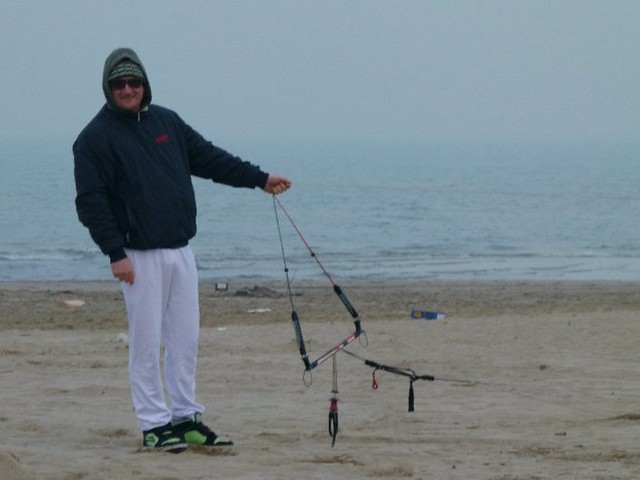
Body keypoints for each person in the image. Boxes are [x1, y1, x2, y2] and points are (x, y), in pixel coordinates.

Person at [73, 47, 291, 453]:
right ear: (108, 87)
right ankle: (154, 424)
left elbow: (210, 159)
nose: (127, 89)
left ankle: (186, 417)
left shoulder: (166, 122)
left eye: (133, 82)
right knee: (145, 343)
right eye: (119, 83)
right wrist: (114, 253)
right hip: (137, 256)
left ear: (144, 84)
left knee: (185, 340)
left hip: (180, 250)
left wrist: (260, 179)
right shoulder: (93, 139)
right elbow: (90, 202)